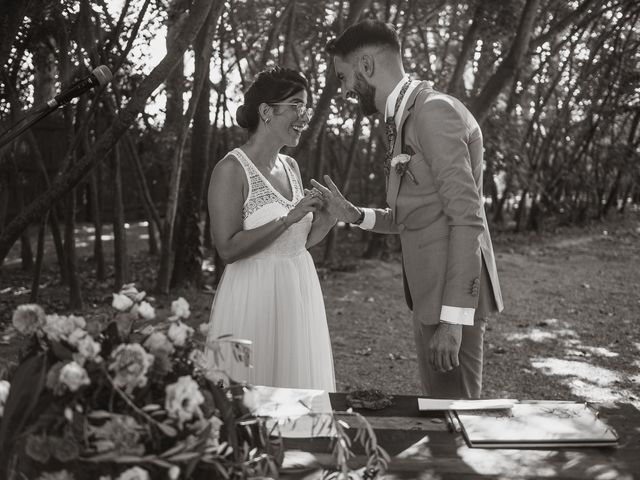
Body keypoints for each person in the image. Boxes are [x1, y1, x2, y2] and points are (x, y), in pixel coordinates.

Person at [311, 20, 504, 399]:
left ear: (366, 65)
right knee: (440, 410)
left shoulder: (433, 113)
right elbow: (415, 217)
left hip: (451, 298)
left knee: (456, 417)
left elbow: (468, 218)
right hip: (428, 294)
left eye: (343, 76)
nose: (345, 89)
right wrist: (353, 215)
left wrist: (452, 319)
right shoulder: (403, 121)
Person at [205, 67, 336, 391]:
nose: (303, 117)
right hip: (252, 296)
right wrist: (287, 218)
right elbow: (227, 249)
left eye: (305, 107)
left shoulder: (290, 166)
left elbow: (296, 243)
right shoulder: (231, 170)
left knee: (297, 393)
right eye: (295, 105)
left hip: (298, 292)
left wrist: (328, 218)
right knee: (244, 398)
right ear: (266, 111)